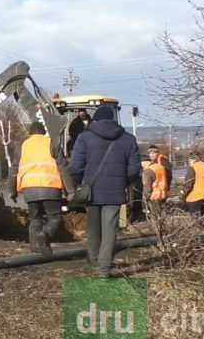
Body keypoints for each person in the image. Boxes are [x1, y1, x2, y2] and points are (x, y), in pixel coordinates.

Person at [69, 106, 141, 278]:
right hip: (115, 191)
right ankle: (104, 269)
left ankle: (94, 260)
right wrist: (122, 181)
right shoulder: (128, 139)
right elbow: (134, 168)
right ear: (113, 119)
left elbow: (75, 166)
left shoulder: (84, 137)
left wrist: (82, 182)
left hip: (91, 191)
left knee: (93, 227)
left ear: (96, 119)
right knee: (110, 229)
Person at [11, 122, 63, 256]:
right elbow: (63, 167)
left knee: (35, 218)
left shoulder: (22, 146)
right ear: (44, 132)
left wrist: (12, 191)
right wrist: (70, 190)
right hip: (50, 186)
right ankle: (44, 234)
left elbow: (14, 170)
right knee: (55, 218)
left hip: (29, 189)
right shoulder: (52, 143)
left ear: (30, 133)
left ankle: (36, 250)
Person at [183, 151, 204, 218]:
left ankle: (198, 228)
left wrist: (183, 195)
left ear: (191, 159)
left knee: (196, 218)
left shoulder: (193, 168)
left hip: (195, 196)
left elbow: (188, 184)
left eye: (189, 160)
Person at [142, 151, 169, 219]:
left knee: (154, 216)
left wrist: (146, 197)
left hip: (153, 196)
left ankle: (156, 227)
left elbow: (147, 186)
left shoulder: (147, 171)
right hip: (163, 193)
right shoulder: (160, 167)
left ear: (144, 162)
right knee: (161, 214)